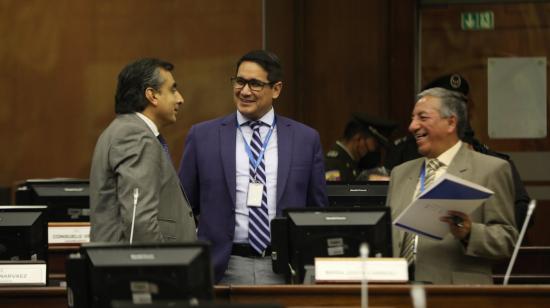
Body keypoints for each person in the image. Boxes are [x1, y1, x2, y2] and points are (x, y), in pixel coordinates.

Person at [178, 50, 328, 284]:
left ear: (276, 89)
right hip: (222, 268)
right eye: (240, 81)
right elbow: (184, 206)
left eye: (255, 84)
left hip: (285, 270)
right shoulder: (202, 136)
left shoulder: (305, 140)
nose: (245, 91)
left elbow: (317, 210)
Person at [387, 86, 518, 284]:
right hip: (399, 292)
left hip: (455, 292)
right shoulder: (400, 173)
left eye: (422, 117)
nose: (412, 126)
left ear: (450, 122)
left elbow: (506, 240)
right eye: (412, 118)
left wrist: (469, 233)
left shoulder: (491, 169)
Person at [90, 58, 196, 243]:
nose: (180, 98)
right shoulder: (135, 135)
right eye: (172, 90)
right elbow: (140, 222)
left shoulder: (124, 129)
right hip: (144, 267)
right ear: (152, 95)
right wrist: (161, 267)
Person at [325, 114, 395, 182]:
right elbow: (335, 192)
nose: (374, 151)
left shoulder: (350, 162)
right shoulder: (333, 164)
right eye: (375, 146)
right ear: (359, 139)